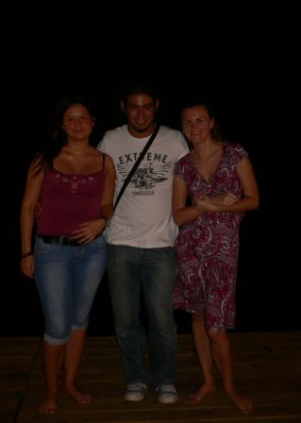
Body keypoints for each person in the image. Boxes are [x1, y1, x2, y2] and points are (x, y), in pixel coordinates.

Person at [19, 95, 116, 416]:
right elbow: (28, 207)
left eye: (83, 117)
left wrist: (103, 221)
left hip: (93, 251)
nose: (77, 123)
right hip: (51, 251)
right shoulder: (45, 158)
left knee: (79, 320)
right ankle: (51, 391)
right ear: (62, 124)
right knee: (58, 326)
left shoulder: (105, 162)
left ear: (93, 122)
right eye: (70, 118)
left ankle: (71, 383)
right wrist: (26, 251)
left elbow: (107, 204)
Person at [97, 82, 190, 404]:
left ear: (156, 107)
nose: (140, 114)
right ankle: (136, 377)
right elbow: (95, 183)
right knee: (125, 320)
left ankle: (165, 379)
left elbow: (194, 178)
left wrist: (225, 204)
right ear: (123, 107)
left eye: (146, 107)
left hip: (162, 244)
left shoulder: (175, 139)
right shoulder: (110, 139)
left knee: (162, 319)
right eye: (134, 107)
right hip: (120, 242)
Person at [172, 99, 259, 414]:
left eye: (199, 120)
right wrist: (205, 205)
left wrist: (218, 205)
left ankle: (230, 386)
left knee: (216, 326)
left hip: (223, 253)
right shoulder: (183, 165)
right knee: (197, 316)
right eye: (187, 122)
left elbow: (253, 200)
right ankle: (208, 380)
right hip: (189, 250)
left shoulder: (235, 153)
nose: (193, 127)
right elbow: (178, 216)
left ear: (211, 123)